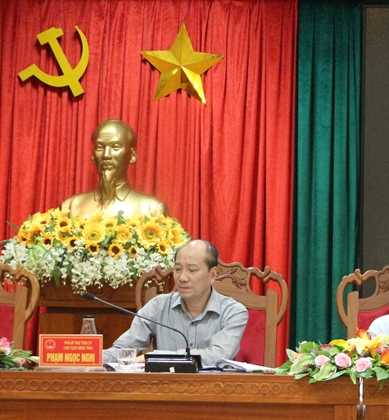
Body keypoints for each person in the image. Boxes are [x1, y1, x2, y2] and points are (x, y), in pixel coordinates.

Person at [102, 239, 249, 367]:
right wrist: (94, 357)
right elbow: (123, 350)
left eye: (192, 270)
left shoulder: (233, 312)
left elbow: (218, 356)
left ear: (213, 275)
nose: (182, 278)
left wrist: (156, 358)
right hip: (163, 388)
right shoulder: (158, 306)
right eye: (178, 269)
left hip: (213, 388)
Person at [60, 119, 169, 218]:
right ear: (93, 155)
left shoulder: (153, 209)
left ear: (132, 155)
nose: (106, 155)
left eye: (116, 147)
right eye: (100, 147)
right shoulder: (70, 207)